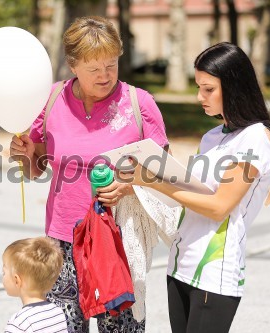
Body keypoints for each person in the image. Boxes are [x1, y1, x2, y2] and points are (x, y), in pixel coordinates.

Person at [10, 16, 169, 332]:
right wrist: (25, 157)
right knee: (65, 327)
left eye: (111, 65)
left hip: (117, 238)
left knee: (121, 328)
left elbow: (164, 174)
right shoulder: (52, 99)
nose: (105, 75)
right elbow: (36, 168)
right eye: (94, 69)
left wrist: (127, 186)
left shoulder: (140, 104)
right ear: (72, 65)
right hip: (62, 239)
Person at [119, 42, 270, 332]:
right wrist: (140, 182)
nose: (199, 97)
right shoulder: (211, 136)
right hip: (179, 265)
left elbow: (219, 206)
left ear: (234, 86)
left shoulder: (256, 137)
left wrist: (152, 180)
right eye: (198, 87)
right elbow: (191, 194)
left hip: (215, 272)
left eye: (208, 89)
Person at [2, 237, 68, 333]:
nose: (3, 277)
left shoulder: (19, 323)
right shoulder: (58, 312)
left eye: (4, 272)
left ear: (17, 280)